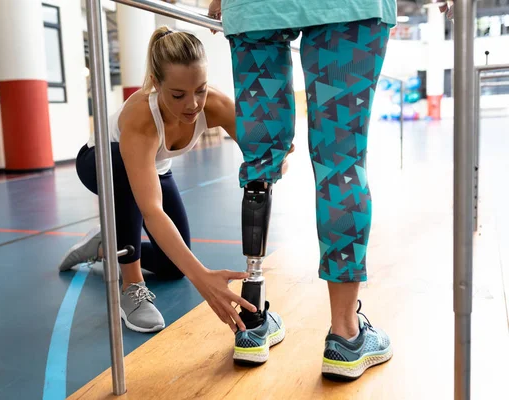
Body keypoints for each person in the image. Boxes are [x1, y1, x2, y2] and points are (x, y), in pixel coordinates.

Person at [57, 26, 291, 340]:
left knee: (173, 266)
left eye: (201, 89)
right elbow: (151, 211)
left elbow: (266, 161)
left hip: (155, 167)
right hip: (100, 161)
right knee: (124, 175)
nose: (193, 104)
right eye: (178, 95)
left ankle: (105, 246)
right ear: (156, 84)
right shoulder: (141, 115)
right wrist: (204, 280)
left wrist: (276, 154)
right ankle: (131, 286)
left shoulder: (216, 105)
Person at [208, 0, 397, 379]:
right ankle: (346, 336)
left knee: (259, 163)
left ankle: (253, 322)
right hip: (347, 8)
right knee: (340, 162)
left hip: (254, 8)